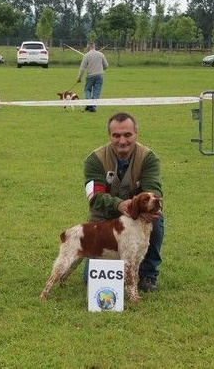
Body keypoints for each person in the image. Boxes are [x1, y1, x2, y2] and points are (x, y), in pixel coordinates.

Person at [82, 112, 164, 292]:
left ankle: (148, 274)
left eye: (127, 135)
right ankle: (106, 269)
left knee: (156, 220)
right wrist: (118, 205)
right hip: (104, 217)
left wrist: (141, 209)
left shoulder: (149, 158)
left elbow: (153, 190)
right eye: (116, 135)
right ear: (109, 136)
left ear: (136, 134)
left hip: (137, 213)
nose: (122, 141)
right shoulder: (94, 160)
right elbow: (94, 196)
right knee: (91, 281)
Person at [76, 42, 109, 112]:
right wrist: (100, 69)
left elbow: (82, 68)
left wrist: (79, 78)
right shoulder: (101, 54)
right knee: (96, 92)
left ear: (88, 47)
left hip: (90, 76)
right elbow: (106, 65)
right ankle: (92, 106)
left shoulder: (86, 56)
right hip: (99, 76)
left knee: (87, 90)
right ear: (94, 46)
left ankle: (89, 105)